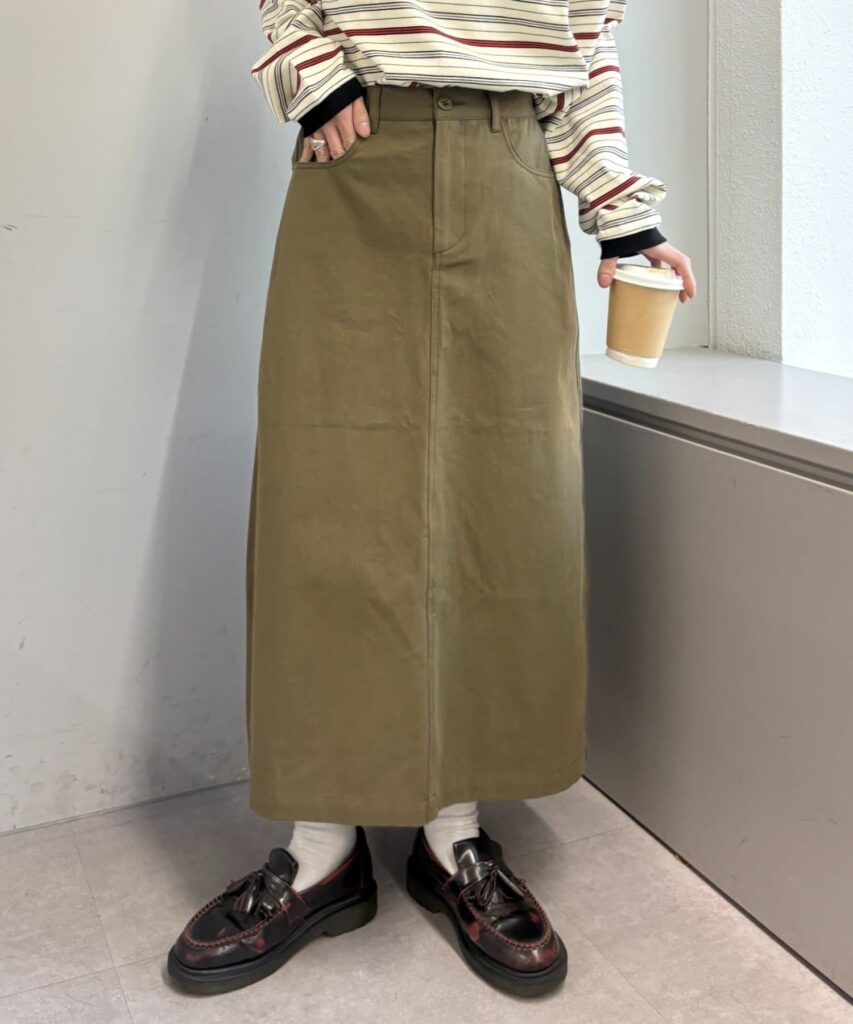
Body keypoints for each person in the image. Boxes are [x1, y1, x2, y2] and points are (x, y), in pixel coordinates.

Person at [167, 0, 697, 1000]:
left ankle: (453, 833)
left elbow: (587, 46)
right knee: (325, 497)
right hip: (360, 147)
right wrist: (313, 69)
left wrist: (623, 211)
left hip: (512, 162)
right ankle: (322, 849)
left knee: (503, 507)